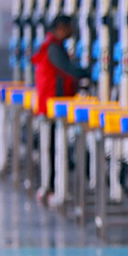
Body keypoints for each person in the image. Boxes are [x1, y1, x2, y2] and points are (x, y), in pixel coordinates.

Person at [32, 15, 89, 203]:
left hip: (53, 104)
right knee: (53, 149)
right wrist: (90, 72)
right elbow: (68, 70)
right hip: (51, 105)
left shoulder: (52, 45)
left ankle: (52, 188)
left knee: (54, 148)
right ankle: (50, 188)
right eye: (70, 27)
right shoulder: (53, 48)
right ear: (62, 28)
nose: (72, 32)